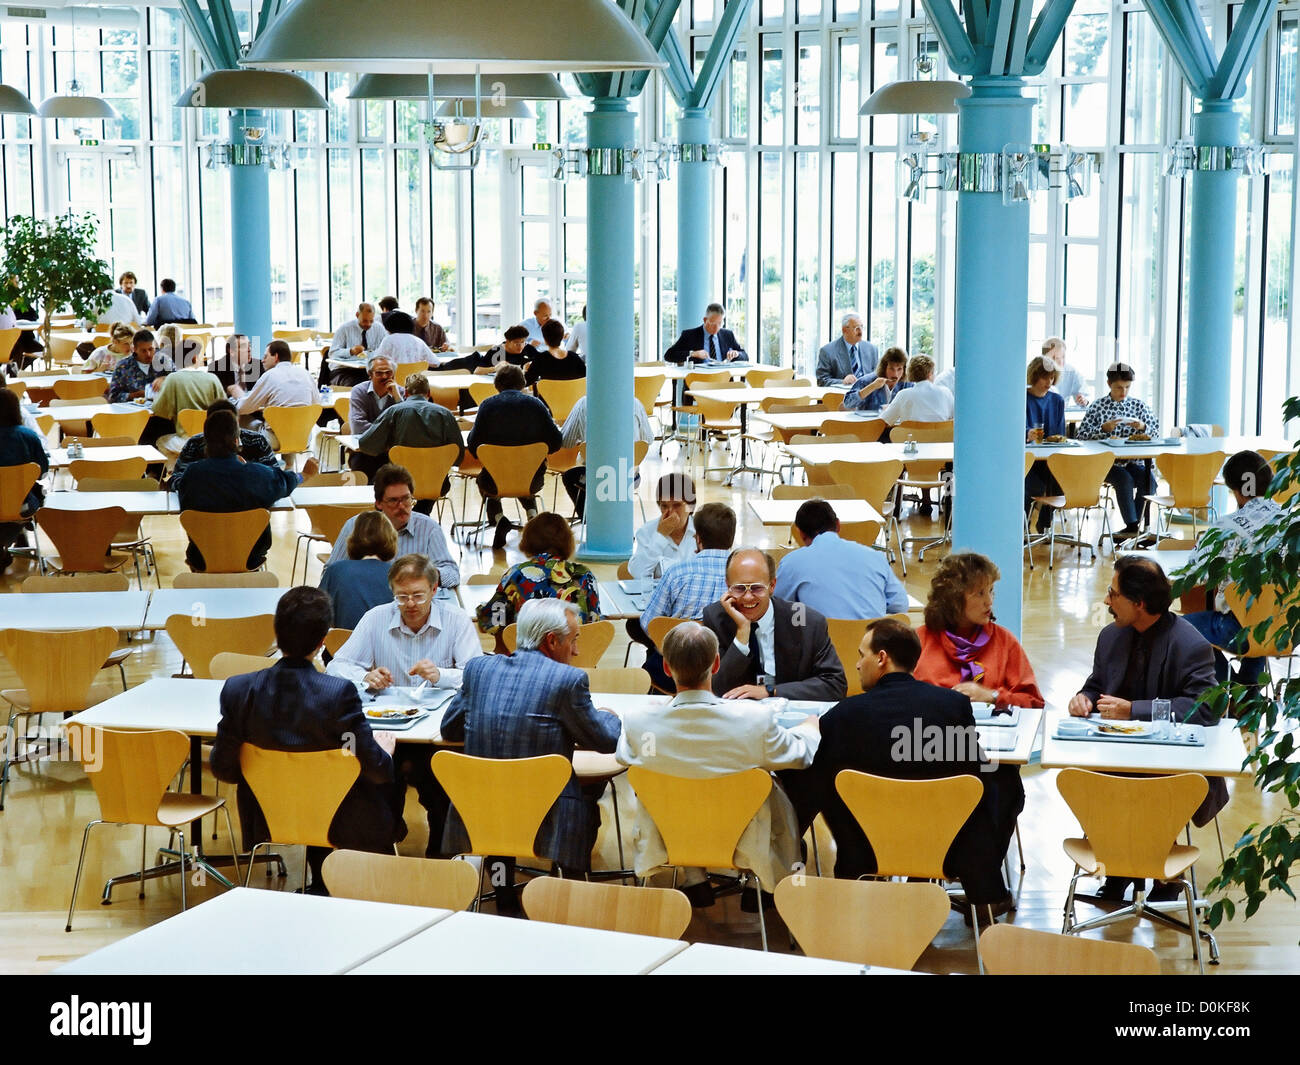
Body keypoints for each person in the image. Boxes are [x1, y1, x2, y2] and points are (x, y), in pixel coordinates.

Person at [805, 617, 1015, 919]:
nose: (857, 665)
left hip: (867, 851)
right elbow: (973, 776)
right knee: (1002, 782)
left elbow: (820, 787)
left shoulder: (841, 717)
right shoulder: (952, 707)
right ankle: (983, 892)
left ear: (881, 658)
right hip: (945, 848)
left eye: (861, 655)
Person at [211, 586, 399, 896]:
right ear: (323, 640)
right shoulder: (338, 693)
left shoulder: (238, 689)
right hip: (340, 819)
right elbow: (377, 770)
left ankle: (320, 884)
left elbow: (224, 770)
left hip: (268, 815)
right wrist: (384, 751)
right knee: (384, 780)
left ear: (277, 633)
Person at [440, 599, 622, 914]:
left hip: (481, 810)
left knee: (502, 789)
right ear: (552, 641)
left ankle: (504, 893)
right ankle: (564, 889)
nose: (577, 651)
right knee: (590, 793)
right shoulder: (567, 681)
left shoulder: (478, 669)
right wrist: (610, 716)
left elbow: (450, 728)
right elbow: (606, 740)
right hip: (545, 814)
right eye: (574, 639)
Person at [617, 621, 817, 906]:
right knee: (770, 783)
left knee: (664, 783)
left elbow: (624, 757)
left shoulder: (639, 722)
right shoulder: (754, 720)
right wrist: (809, 729)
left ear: (665, 667)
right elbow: (799, 757)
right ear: (716, 664)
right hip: (745, 837)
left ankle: (694, 877)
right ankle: (756, 881)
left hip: (675, 834)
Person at [1069, 555, 1224, 899]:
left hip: (1171, 766)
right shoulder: (1111, 636)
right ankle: (1119, 868)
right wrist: (1084, 697)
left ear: (1139, 604)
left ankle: (1161, 874)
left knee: (1145, 787)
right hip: (1117, 755)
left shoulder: (1191, 645)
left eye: (1113, 594)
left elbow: (1206, 707)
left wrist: (1135, 711)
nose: (1106, 601)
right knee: (1098, 781)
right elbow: (1096, 684)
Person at [327, 553, 482, 859]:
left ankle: (439, 856)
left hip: (438, 733)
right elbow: (337, 666)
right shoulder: (376, 618)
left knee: (440, 788)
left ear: (434, 590)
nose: (410, 604)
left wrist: (441, 675)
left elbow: (476, 675)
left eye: (418, 596)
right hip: (388, 730)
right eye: (402, 596)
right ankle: (381, 850)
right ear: (393, 593)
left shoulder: (456, 620)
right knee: (375, 781)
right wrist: (366, 675)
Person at [914, 552, 1039, 880]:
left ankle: (979, 877)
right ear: (954, 598)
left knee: (1006, 792)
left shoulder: (1004, 642)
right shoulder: (920, 641)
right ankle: (926, 870)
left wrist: (995, 696)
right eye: (979, 593)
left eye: (991, 592)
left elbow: (1033, 703)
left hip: (990, 757)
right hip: (924, 752)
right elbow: (895, 696)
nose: (989, 601)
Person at [1182, 451, 1284, 685]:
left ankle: (1231, 687)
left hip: (1240, 630)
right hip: (1287, 626)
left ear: (1236, 490)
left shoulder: (1225, 526)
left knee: (1179, 628)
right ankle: (1249, 695)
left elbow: (1194, 575)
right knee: (1261, 608)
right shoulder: (1292, 521)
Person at [173, 408, 312, 571]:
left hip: (202, 557)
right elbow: (285, 481)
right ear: (237, 441)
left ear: (205, 441)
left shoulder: (192, 475)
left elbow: (177, 485)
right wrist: (304, 475)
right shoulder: (258, 475)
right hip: (250, 557)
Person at [700, 548, 846, 701]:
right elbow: (713, 689)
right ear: (727, 586)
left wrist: (771, 691)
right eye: (739, 588)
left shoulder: (806, 621)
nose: (748, 597)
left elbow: (835, 684)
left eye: (756, 588)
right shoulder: (716, 618)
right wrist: (742, 634)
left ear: (772, 585)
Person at [636, 502, 736, 691]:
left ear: (698, 538)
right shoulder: (742, 577)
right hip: (726, 673)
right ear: (731, 539)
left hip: (675, 675)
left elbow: (649, 624)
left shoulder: (677, 573)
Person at [466, 363, 562, 550]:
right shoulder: (536, 405)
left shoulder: (487, 406)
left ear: (497, 385)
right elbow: (556, 442)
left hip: (494, 480)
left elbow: (473, 444)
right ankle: (533, 516)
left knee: (485, 480)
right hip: (532, 479)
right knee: (523, 471)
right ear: (522, 383)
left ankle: (499, 518)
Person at [325, 464, 460, 587]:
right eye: (393, 500)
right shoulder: (355, 526)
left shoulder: (429, 528)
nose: (401, 506)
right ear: (378, 503)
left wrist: (426, 574)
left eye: (406, 498)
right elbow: (330, 572)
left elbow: (452, 573)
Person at [774, 498, 908, 619]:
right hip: (871, 642)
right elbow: (900, 605)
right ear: (838, 525)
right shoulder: (875, 557)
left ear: (800, 533)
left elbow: (778, 608)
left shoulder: (792, 562)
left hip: (820, 643)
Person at [475, 511, 601, 638]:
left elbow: (492, 622)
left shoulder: (517, 574)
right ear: (568, 541)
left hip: (527, 656)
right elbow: (595, 622)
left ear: (529, 540)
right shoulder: (585, 575)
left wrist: (481, 609)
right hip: (577, 655)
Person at [1076, 362, 1159, 540]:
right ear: (1109, 384)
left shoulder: (1139, 406)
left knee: (1149, 480)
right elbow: (1081, 436)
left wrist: (1143, 426)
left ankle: (1135, 526)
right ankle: (1133, 526)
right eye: (1119, 387)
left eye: (1127, 387)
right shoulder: (1097, 407)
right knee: (1124, 479)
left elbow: (1156, 433)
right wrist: (1103, 430)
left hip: (1133, 461)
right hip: (1105, 463)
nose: (1124, 392)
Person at [353, 372, 464, 490]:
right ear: (429, 393)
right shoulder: (445, 414)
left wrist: (387, 446)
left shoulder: (393, 411)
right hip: (438, 483)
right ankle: (420, 508)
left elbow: (366, 444)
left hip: (399, 481)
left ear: (405, 393)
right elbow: (457, 456)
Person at [557, 391, 654, 517]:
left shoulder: (583, 404)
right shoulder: (635, 403)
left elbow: (566, 441)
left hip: (596, 478)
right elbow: (648, 439)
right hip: (629, 477)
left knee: (569, 476)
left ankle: (589, 519)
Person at [317, 511, 400, 631]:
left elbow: (319, 615)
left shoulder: (335, 570)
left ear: (353, 538)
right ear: (391, 539)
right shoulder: (398, 574)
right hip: (383, 646)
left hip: (342, 645)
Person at [170, 398, 280, 486]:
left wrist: (246, 470)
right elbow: (175, 479)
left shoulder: (257, 441)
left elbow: (276, 475)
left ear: (238, 422)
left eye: (229, 423)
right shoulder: (194, 443)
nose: (225, 429)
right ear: (209, 424)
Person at [0, 386, 47, 570]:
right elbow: (42, 471)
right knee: (35, 494)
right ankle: (15, 536)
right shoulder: (28, 436)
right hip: (21, 505)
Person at [1024, 354, 1069, 533]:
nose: (1048, 381)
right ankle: (1023, 528)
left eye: (1051, 377)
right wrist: (1027, 433)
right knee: (1032, 485)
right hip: (1028, 459)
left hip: (1050, 458)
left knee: (1060, 480)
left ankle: (1044, 523)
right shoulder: (1021, 399)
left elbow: (1059, 434)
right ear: (1035, 376)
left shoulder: (1057, 401)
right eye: (1044, 377)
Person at [235, 339, 316, 436]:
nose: (262, 360)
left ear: (276, 357)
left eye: (265, 356)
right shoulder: (306, 374)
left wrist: (237, 400)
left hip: (276, 438)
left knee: (243, 418)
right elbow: (317, 405)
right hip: (304, 438)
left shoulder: (270, 375)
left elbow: (244, 407)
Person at [628, 472, 697, 578]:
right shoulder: (647, 532)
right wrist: (660, 536)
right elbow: (638, 573)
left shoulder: (703, 531)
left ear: (690, 506)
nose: (670, 512)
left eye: (677, 505)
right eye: (664, 506)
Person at [145, 359, 225, 448]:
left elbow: (158, 410)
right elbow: (225, 409)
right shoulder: (212, 378)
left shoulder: (172, 378)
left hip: (184, 439)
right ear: (195, 357)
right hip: (211, 438)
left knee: (160, 440)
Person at [878, 354, 954, 428]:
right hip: (941, 439)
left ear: (909, 373)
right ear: (930, 374)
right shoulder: (946, 392)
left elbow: (884, 421)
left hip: (912, 439)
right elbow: (955, 418)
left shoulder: (904, 394)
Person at [325, 302, 388, 388]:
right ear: (357, 315)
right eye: (365, 321)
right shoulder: (344, 329)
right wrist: (350, 351)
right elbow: (332, 353)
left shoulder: (378, 328)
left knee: (384, 383)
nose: (368, 324)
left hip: (368, 370)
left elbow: (384, 350)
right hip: (344, 370)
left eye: (371, 321)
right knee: (357, 386)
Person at [663, 302, 747, 364]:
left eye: (720, 323)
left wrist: (737, 354)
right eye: (713, 323)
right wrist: (692, 353)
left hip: (723, 380)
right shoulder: (689, 335)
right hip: (698, 381)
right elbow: (669, 355)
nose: (716, 328)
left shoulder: (728, 335)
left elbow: (745, 356)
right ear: (705, 320)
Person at [348, 354, 405, 440]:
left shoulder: (401, 392)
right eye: (379, 373)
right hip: (366, 445)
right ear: (370, 374)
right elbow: (358, 427)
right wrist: (392, 431)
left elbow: (407, 424)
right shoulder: (359, 391)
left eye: (388, 372)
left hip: (394, 448)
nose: (384, 376)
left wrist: (397, 398)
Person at [108, 329, 173, 403]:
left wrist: (165, 378)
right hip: (133, 411)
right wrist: (136, 395)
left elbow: (180, 379)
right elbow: (113, 397)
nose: (148, 354)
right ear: (134, 349)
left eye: (151, 349)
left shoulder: (163, 360)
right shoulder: (123, 366)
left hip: (161, 408)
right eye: (143, 351)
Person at [436, 324, 529, 375]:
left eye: (523, 342)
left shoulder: (527, 349)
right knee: (438, 370)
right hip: (470, 364)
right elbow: (478, 371)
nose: (520, 346)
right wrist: (496, 368)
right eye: (517, 343)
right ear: (507, 341)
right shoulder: (497, 351)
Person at [842, 345, 910, 412]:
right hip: (868, 422)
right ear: (884, 368)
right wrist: (872, 387)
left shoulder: (907, 384)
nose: (895, 374)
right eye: (891, 369)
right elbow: (847, 404)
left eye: (899, 369)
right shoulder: (866, 381)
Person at [816, 312, 877, 387]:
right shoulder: (827, 351)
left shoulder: (872, 349)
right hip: (840, 397)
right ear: (845, 330)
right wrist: (842, 382)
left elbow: (877, 376)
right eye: (856, 328)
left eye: (862, 327)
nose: (860, 332)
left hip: (867, 396)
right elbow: (821, 380)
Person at [525, 318, 586, 388]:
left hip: (547, 398)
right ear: (562, 337)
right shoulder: (575, 358)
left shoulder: (541, 359)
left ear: (544, 339)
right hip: (573, 398)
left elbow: (526, 382)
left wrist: (525, 370)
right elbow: (586, 379)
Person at [1043, 336, 1088, 406]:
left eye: (1063, 357)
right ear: (1044, 357)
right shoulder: (1037, 371)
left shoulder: (1071, 371)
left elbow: (1084, 394)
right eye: (1056, 358)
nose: (1061, 362)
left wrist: (1083, 399)